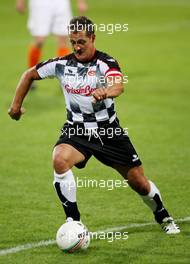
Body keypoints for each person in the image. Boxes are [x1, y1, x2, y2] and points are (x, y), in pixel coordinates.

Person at [8, 16, 180, 235]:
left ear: (93, 38)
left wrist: (106, 91)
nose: (77, 47)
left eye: (82, 42)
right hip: (76, 130)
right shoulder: (61, 64)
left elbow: (118, 85)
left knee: (139, 183)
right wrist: (15, 107)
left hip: (108, 131)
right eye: (73, 42)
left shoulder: (106, 62)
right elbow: (29, 74)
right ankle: (74, 222)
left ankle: (163, 215)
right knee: (59, 159)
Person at [16, 0, 87, 71]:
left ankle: (64, 76)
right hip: (40, 3)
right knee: (39, 40)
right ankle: (31, 74)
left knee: (63, 40)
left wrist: (81, 1)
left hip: (61, 3)